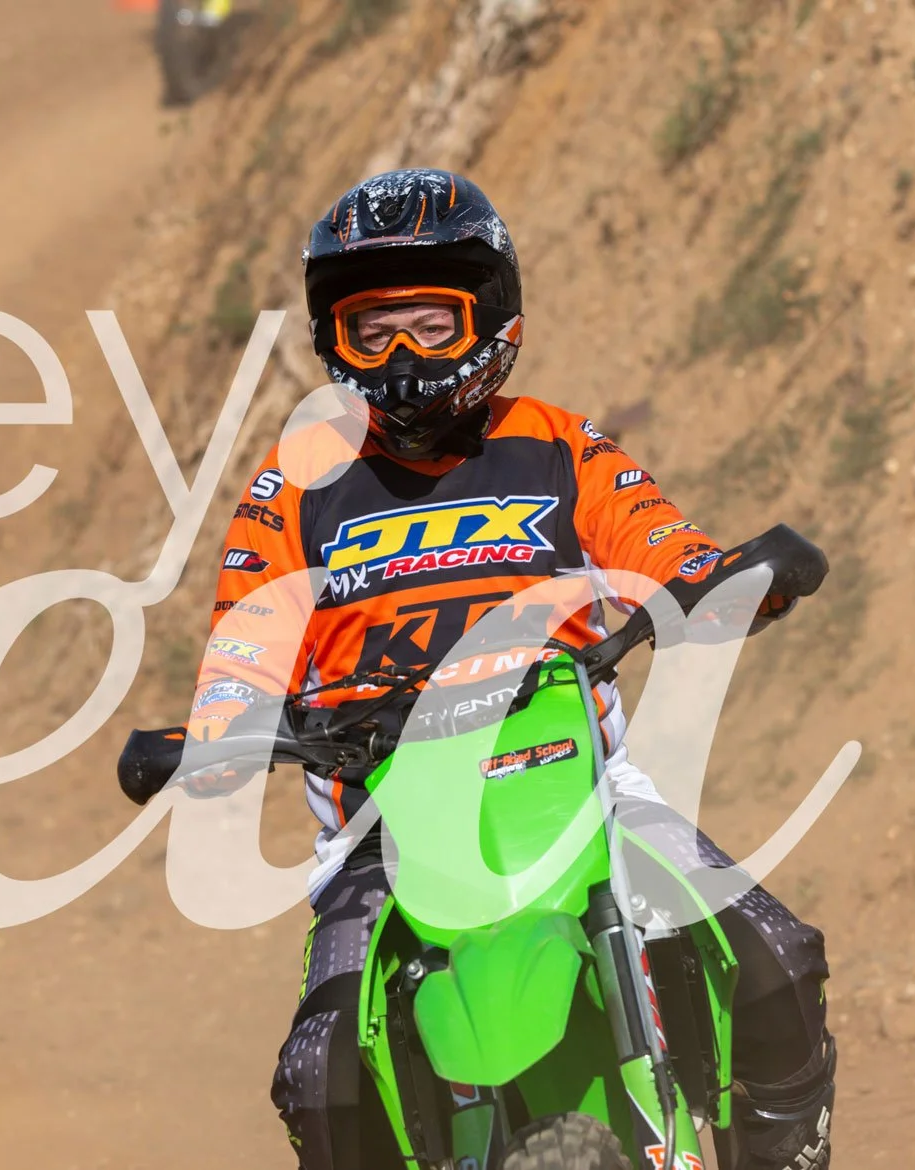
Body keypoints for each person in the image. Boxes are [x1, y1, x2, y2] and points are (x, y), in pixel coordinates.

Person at [183, 170, 834, 1170]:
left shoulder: (559, 446)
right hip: (381, 829)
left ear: (489, 318)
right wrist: (224, 725)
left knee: (775, 956)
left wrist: (721, 581)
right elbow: (243, 639)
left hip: (584, 788)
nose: (403, 356)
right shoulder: (294, 485)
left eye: (429, 325)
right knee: (316, 1073)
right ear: (331, 341)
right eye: (372, 332)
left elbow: (660, 541)